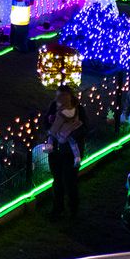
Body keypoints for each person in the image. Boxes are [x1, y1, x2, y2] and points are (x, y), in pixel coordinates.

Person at [43, 85, 86, 217]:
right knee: (57, 180)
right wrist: (49, 121)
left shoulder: (78, 110)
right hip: (56, 151)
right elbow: (46, 123)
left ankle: (73, 208)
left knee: (69, 181)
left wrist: (70, 134)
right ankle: (58, 208)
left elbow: (84, 127)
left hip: (70, 153)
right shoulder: (54, 107)